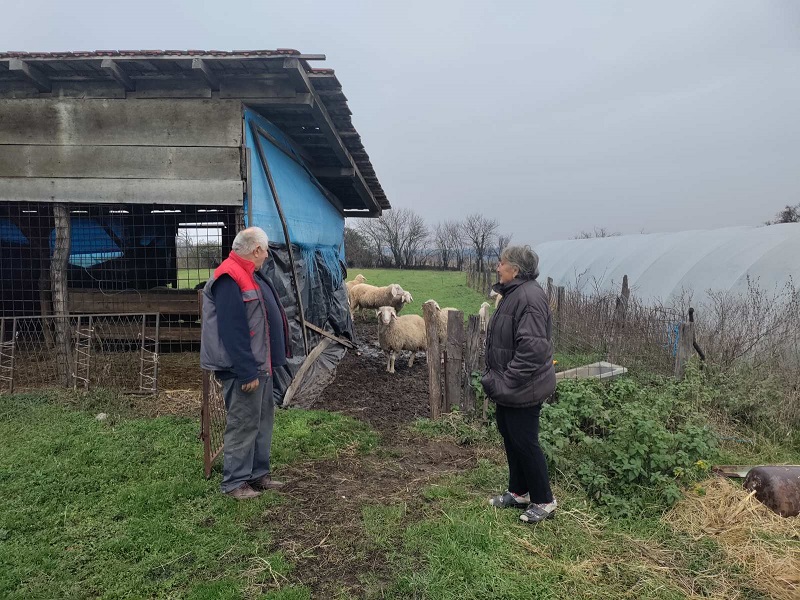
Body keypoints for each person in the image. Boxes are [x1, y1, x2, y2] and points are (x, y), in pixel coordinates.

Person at [200, 227, 292, 500]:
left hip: (259, 364)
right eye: (266, 251)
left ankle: (257, 474)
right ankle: (234, 482)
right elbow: (232, 329)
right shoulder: (229, 276)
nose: (267, 256)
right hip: (245, 369)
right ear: (256, 250)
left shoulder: (249, 274)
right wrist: (246, 370)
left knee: (262, 420)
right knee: (243, 422)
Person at [481, 245, 558, 523]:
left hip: (524, 386)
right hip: (512, 386)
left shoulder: (529, 298)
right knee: (510, 436)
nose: (497, 267)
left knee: (525, 441)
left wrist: (506, 381)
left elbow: (533, 350)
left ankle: (544, 500)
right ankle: (519, 492)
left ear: (515, 269)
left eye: (501, 263)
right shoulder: (514, 293)